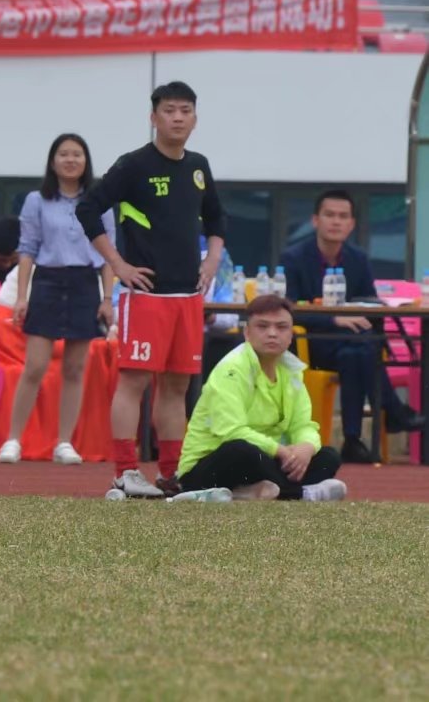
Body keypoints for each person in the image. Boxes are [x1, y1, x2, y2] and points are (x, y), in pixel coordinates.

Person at [76, 81, 225, 499]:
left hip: (187, 298)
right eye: (169, 110)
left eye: (185, 111)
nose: (178, 118)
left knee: (177, 387)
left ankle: (171, 473)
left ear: (195, 117)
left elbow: (217, 220)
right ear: (153, 117)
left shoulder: (198, 166)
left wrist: (211, 260)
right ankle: (125, 471)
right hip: (147, 296)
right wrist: (118, 264)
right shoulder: (133, 165)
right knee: (134, 381)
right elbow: (87, 208)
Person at [278, 189, 425, 463]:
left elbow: (369, 301)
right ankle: (392, 412)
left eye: (343, 216)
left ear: (352, 224)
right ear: (315, 220)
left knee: (355, 353)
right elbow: (290, 310)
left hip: (353, 344)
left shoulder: (358, 258)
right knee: (362, 349)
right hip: (314, 342)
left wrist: (368, 312)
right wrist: (335, 318)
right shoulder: (294, 258)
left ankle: (353, 441)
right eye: (329, 215)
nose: (336, 222)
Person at [0, 134, 117, 466]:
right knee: (34, 366)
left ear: (85, 161)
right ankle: (13, 440)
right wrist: (22, 296)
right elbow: (27, 250)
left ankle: (64, 442)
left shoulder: (98, 201)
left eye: (77, 154)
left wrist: (108, 298)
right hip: (48, 281)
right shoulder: (37, 200)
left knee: (76, 369)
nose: (70, 160)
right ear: (53, 161)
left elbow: (108, 254)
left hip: (84, 283)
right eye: (63, 154)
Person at [177, 296, 347, 502]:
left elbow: (304, 425)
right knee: (242, 451)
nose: (272, 333)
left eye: (282, 327)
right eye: (263, 326)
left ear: (291, 334)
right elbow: (231, 431)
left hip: (267, 457)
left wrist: (305, 448)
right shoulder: (231, 369)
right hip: (208, 467)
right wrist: (280, 451)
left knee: (328, 456)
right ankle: (300, 494)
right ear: (247, 333)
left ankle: (249, 492)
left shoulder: (292, 371)